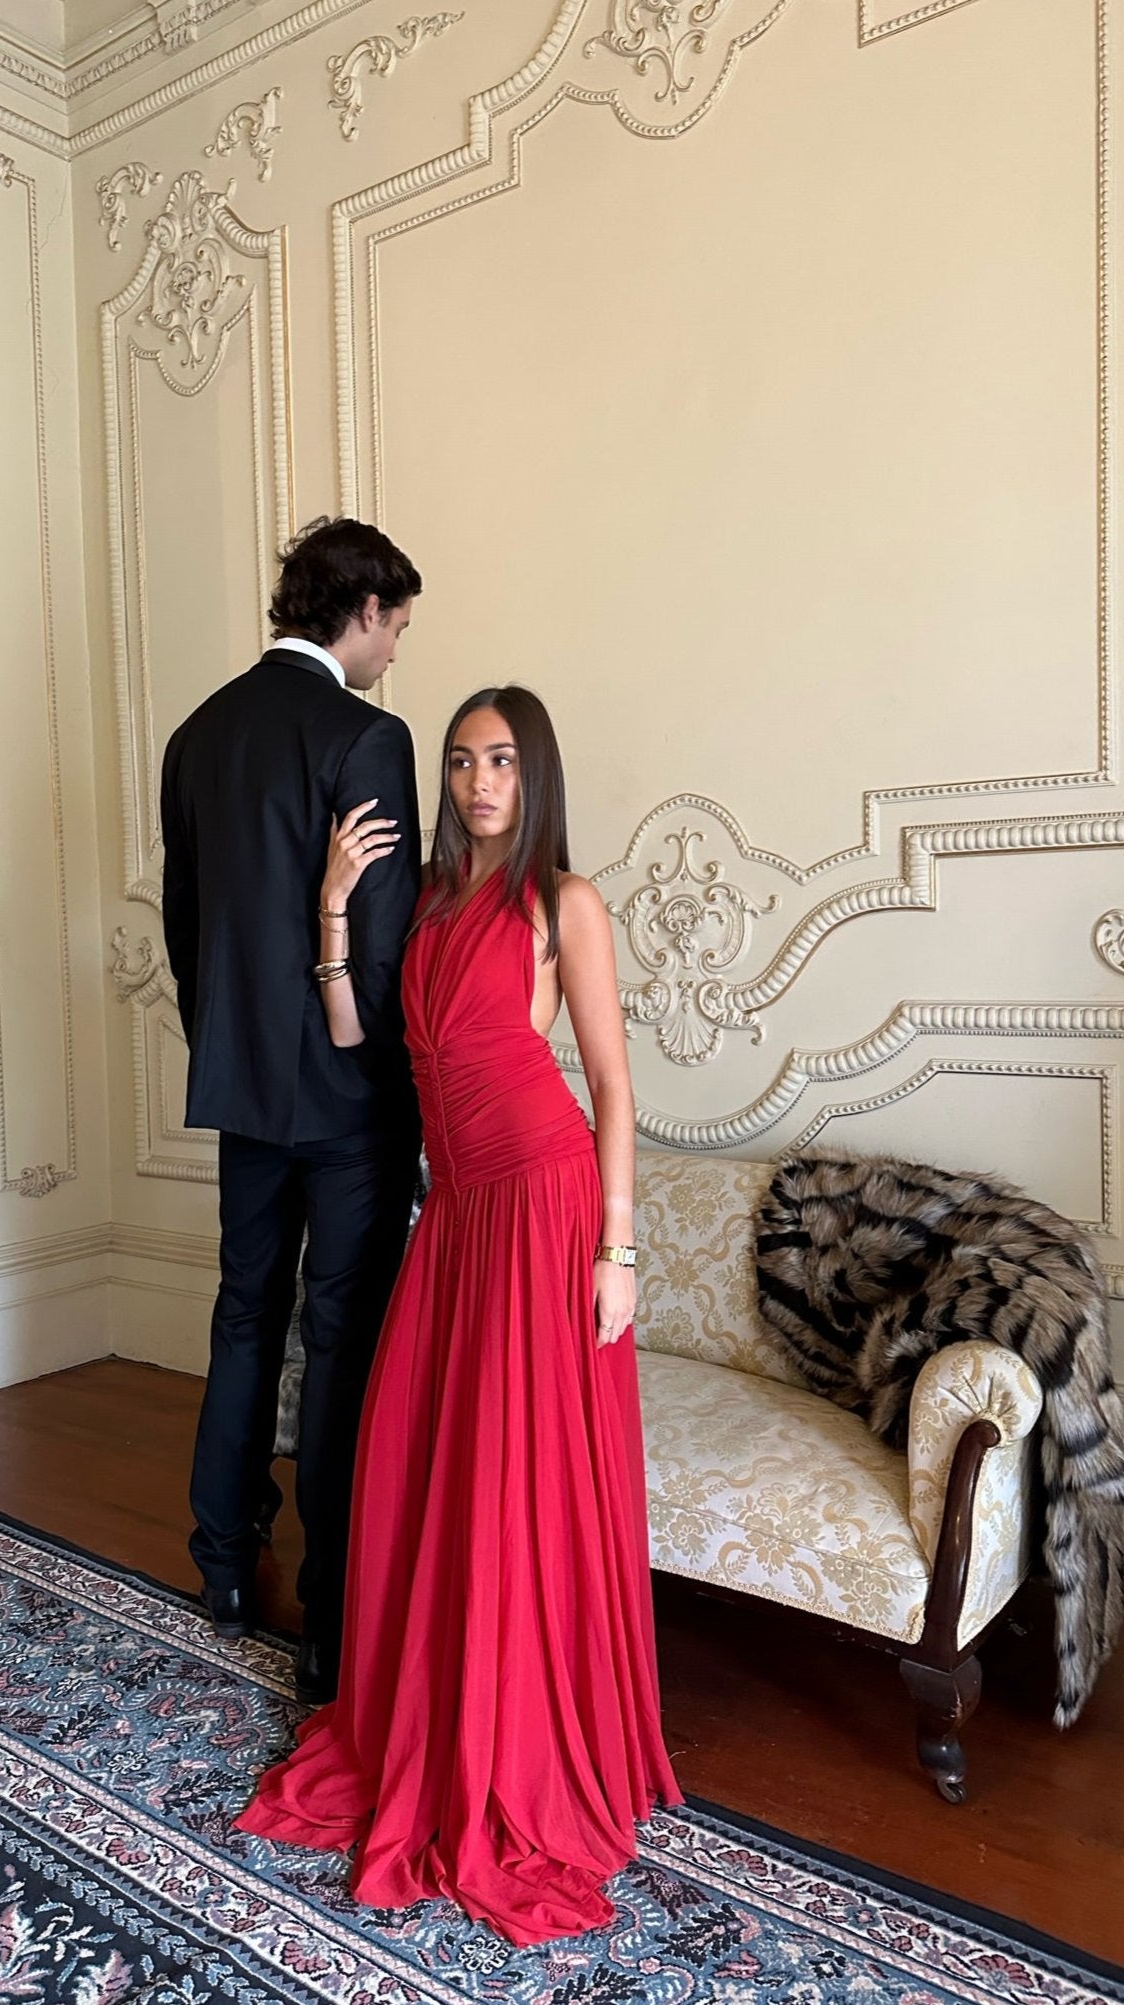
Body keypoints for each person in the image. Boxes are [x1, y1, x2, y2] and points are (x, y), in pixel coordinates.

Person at [236, 685, 680, 1944]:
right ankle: (439, 1710)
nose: (479, 781)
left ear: (534, 774)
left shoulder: (560, 903)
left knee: (516, 1477)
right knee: (418, 1459)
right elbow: (355, 1034)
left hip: (542, 1201)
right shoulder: (426, 902)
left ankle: (521, 1734)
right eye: (461, 760)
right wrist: (334, 904)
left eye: (501, 760)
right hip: (458, 1216)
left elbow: (611, 1086)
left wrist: (618, 1249)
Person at [160, 516, 422, 1705]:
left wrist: (230, 1047)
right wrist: (404, 1093)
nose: (396, 650)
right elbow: (383, 949)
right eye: (396, 626)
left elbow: (186, 929)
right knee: (340, 1336)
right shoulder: (367, 736)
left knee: (243, 1313)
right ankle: (327, 1611)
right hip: (350, 1094)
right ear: (360, 612)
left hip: (243, 1083)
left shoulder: (197, 735)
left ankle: (221, 1562)